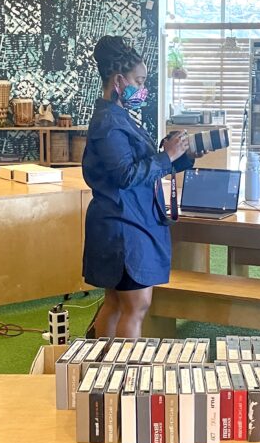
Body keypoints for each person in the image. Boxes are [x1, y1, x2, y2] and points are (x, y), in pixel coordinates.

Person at [82, 36, 194, 338]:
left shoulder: (118, 117)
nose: (143, 88)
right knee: (136, 304)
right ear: (119, 80)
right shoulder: (109, 122)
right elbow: (126, 175)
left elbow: (143, 167)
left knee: (117, 303)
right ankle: (125, 378)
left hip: (126, 220)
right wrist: (166, 155)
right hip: (124, 225)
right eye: (139, 80)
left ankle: (104, 371)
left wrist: (180, 157)